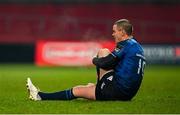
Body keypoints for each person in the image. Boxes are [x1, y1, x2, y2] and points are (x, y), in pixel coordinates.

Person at [26, 19, 146, 101]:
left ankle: (39, 96)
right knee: (85, 88)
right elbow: (116, 64)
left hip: (116, 91)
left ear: (122, 32)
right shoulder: (137, 46)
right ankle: (98, 86)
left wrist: (93, 60)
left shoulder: (125, 44)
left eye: (114, 31)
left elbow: (106, 62)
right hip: (128, 93)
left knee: (78, 89)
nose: (112, 34)